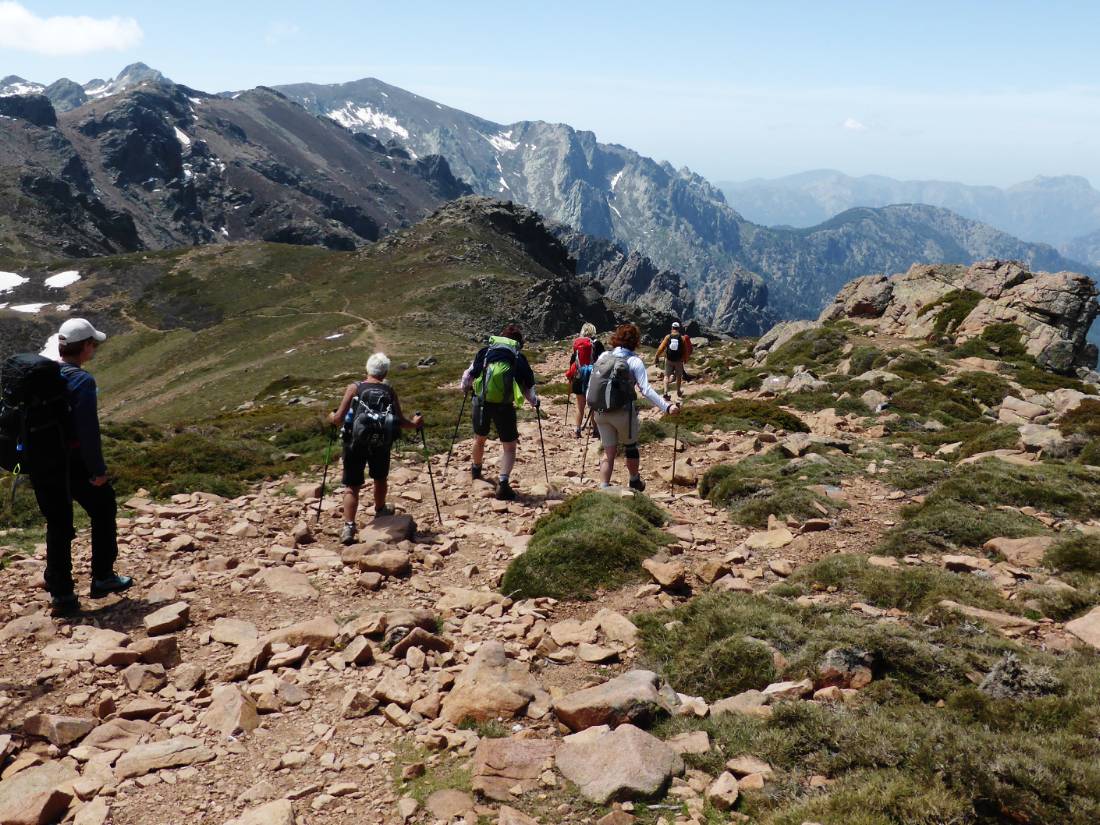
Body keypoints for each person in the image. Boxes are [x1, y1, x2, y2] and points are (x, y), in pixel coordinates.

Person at [33, 318, 131, 615]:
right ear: (85, 346)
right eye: (93, 344)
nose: (95, 348)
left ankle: (61, 592)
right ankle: (102, 577)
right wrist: (98, 471)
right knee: (103, 507)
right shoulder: (81, 381)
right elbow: (87, 432)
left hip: (40, 461)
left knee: (59, 522)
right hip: (71, 462)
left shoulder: (42, 375)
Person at [331, 353, 424, 545]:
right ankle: (380, 509)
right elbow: (399, 421)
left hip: (354, 442)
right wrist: (415, 424)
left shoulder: (354, 388)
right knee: (379, 478)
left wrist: (330, 417)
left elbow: (339, 418)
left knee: (352, 486)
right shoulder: (389, 390)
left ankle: (349, 526)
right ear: (385, 372)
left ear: (367, 369)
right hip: (381, 442)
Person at [591, 323, 679, 491]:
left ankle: (603, 488)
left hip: (601, 412)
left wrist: (593, 405)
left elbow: (593, 383)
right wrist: (666, 407)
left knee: (608, 453)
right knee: (630, 448)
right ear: (635, 341)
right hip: (623, 412)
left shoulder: (603, 356)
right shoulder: (634, 361)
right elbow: (646, 390)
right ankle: (634, 481)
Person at [461, 323, 539, 501]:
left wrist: (465, 389)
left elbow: (469, 374)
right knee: (509, 447)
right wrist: (535, 402)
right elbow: (529, 386)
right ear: (518, 342)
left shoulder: (486, 352)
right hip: (504, 406)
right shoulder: (518, 357)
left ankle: (476, 470)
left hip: (481, 402)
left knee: (479, 439)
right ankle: (503, 484)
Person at [565, 322, 604, 438]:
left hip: (578, 377)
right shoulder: (597, 344)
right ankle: (595, 431)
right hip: (592, 377)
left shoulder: (577, 344)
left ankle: (577, 429)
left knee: (579, 406)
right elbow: (602, 361)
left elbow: (572, 362)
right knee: (593, 405)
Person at [654, 321, 693, 399]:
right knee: (679, 376)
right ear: (678, 328)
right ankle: (678, 392)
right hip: (678, 361)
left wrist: (656, 356)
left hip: (669, 360)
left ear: (672, 328)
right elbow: (685, 350)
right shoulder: (682, 338)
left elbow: (661, 348)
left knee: (666, 376)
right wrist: (685, 359)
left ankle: (665, 392)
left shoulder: (668, 337)